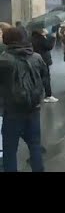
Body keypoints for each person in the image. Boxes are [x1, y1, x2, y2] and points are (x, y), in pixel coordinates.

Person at [0, 27, 48, 172]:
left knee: (10, 150)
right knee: (35, 144)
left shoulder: (3, 60)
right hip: (33, 108)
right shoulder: (36, 57)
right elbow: (44, 77)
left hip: (12, 110)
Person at [31, 28, 58, 103]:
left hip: (36, 60)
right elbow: (49, 46)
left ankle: (38, 94)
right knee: (46, 77)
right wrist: (53, 37)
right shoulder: (41, 38)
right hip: (44, 60)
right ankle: (48, 95)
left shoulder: (33, 38)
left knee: (38, 77)